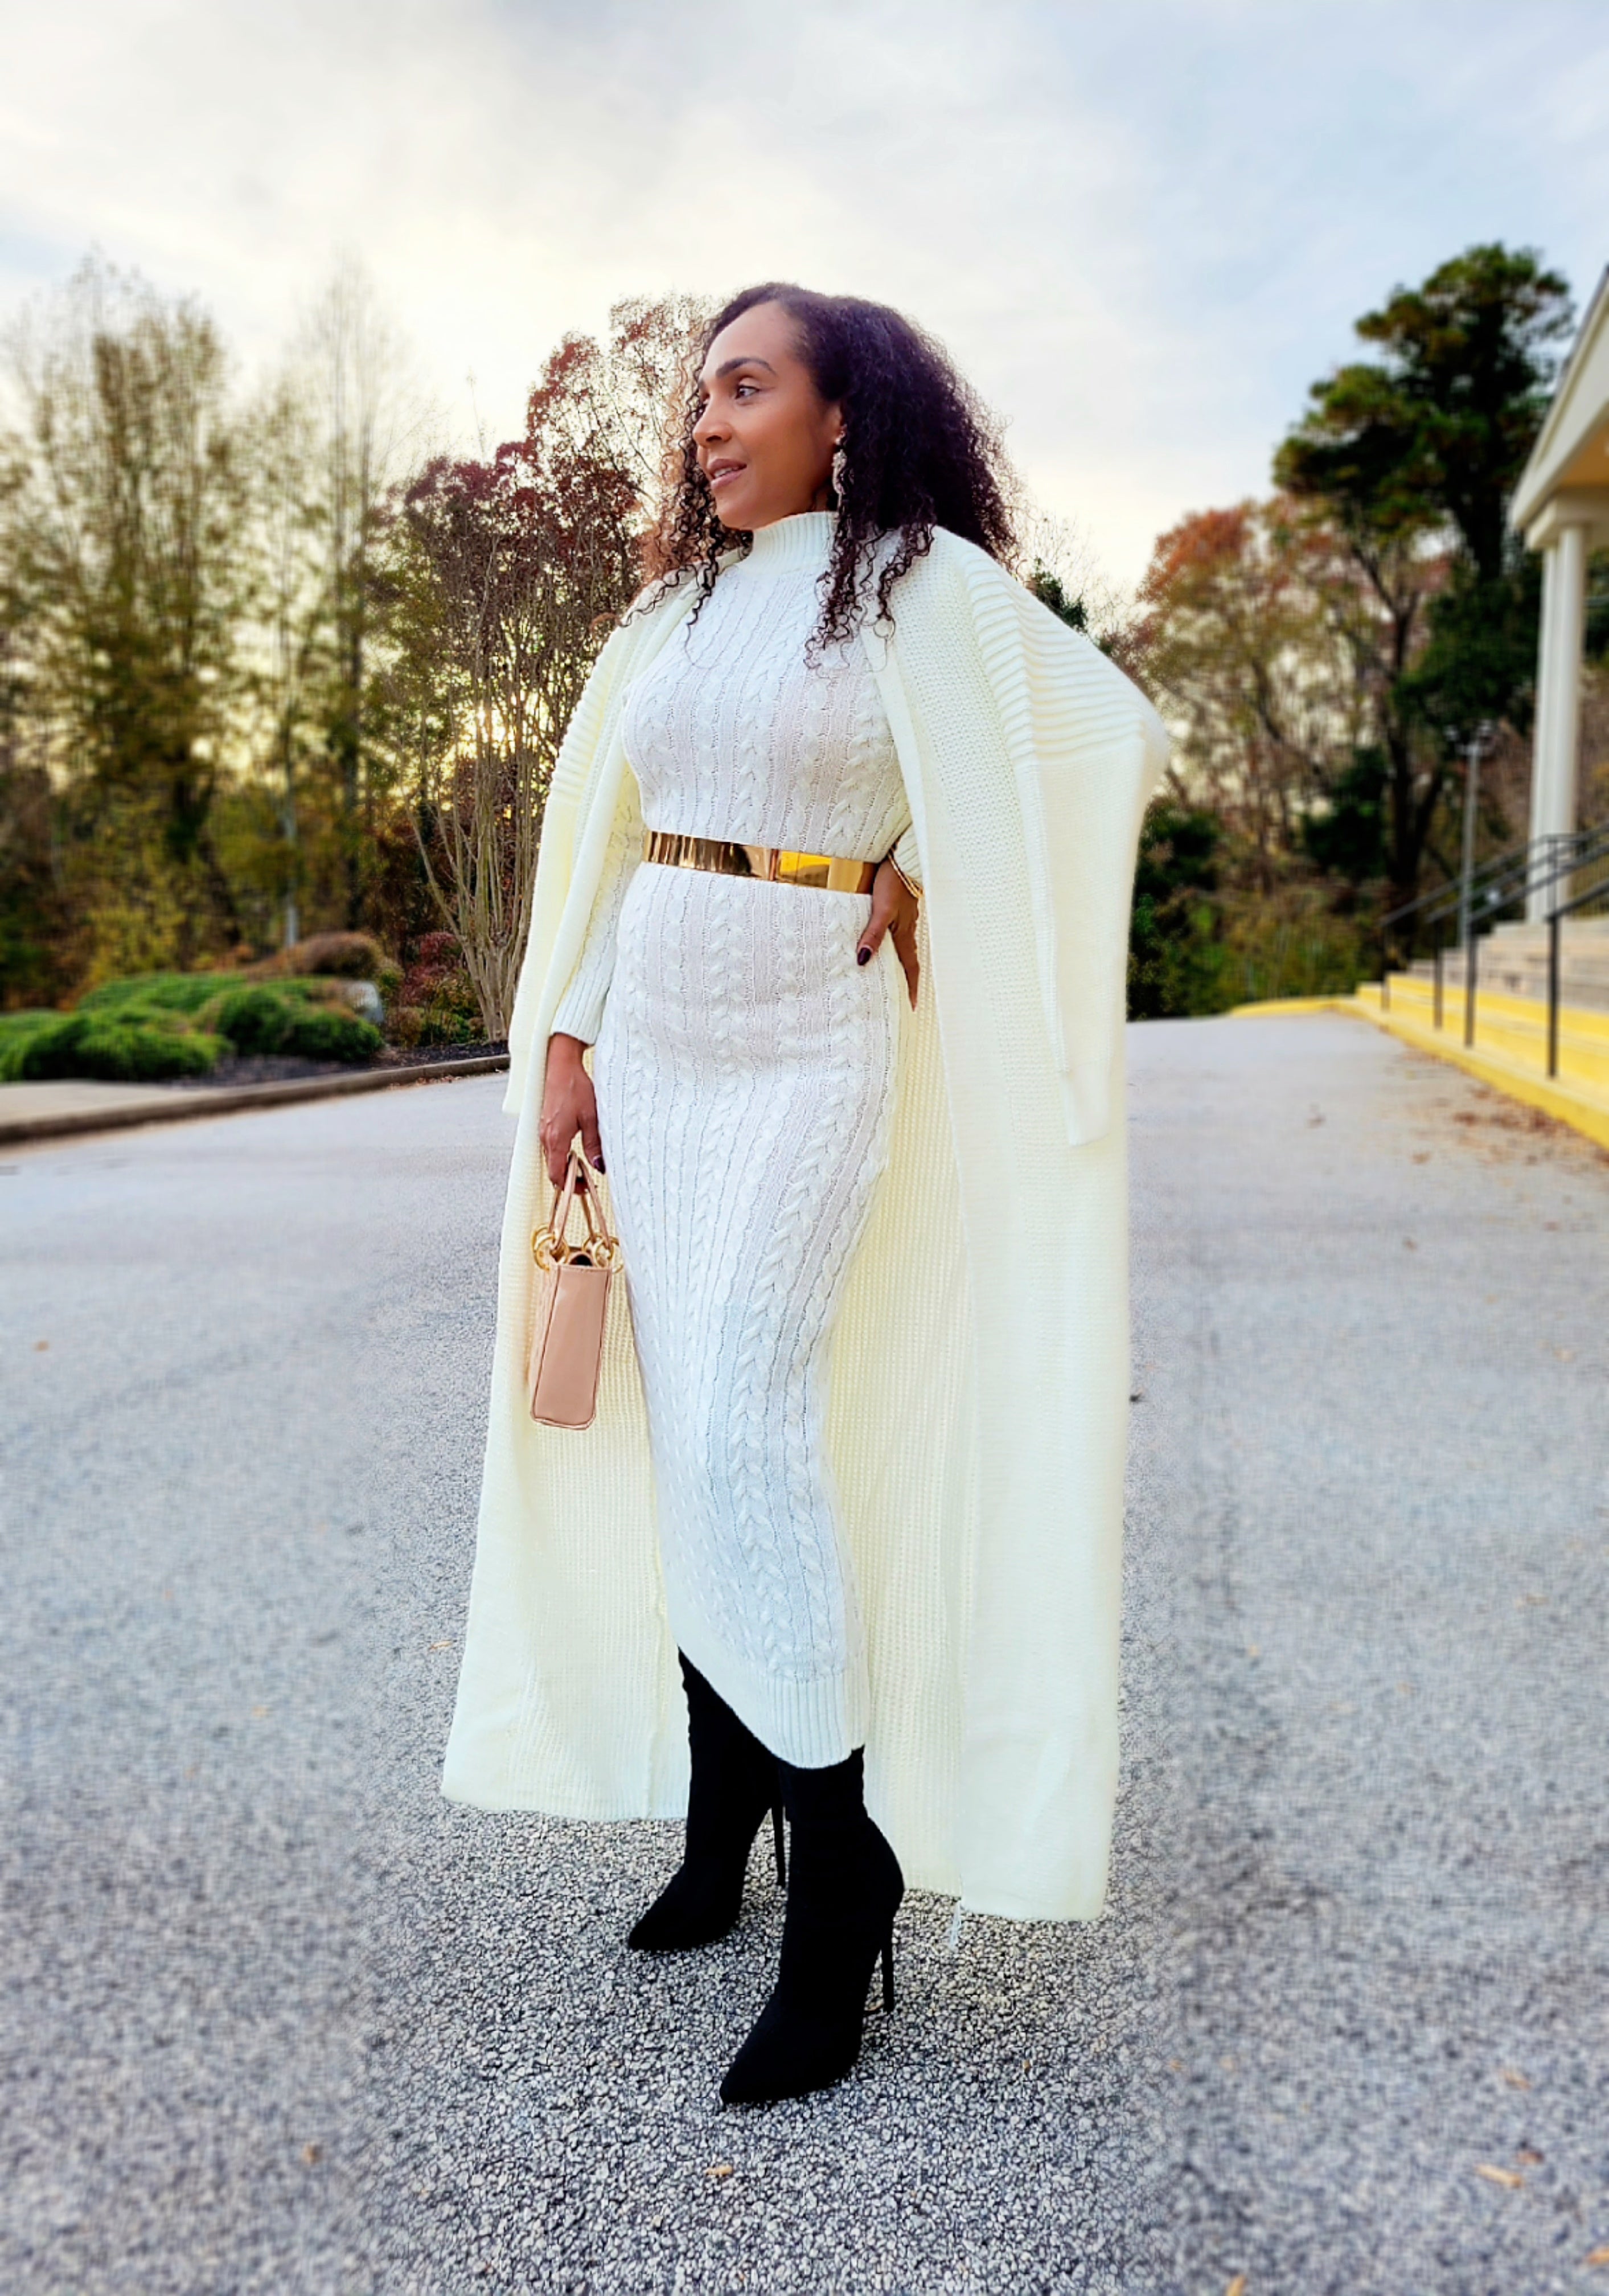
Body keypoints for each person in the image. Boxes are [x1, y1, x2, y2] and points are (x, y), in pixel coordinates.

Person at [443, 283, 1168, 2107]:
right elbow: (615, 838)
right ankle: (723, 1817)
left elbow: (1094, 737)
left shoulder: (917, 583)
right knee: (688, 1428)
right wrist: (569, 1040)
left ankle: (840, 1871)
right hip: (657, 1047)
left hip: (803, 1057)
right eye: (699, 395)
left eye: (744, 387)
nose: (704, 421)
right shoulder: (679, 606)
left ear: (841, 415)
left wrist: (923, 850)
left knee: (745, 1424)